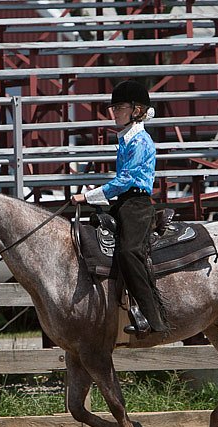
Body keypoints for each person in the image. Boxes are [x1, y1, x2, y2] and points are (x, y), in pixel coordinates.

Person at [70, 79, 168, 337]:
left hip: (136, 204)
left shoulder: (140, 141)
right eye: (113, 107)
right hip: (124, 202)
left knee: (128, 251)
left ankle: (150, 316)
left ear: (136, 110)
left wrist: (89, 196)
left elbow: (125, 180)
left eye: (120, 107)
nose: (114, 112)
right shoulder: (126, 138)